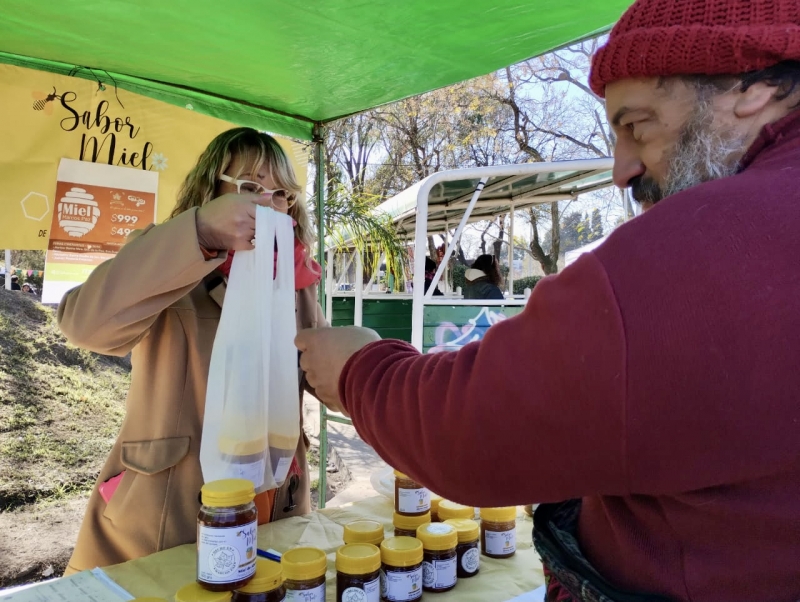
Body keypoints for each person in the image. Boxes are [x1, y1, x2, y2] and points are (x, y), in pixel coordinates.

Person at [295, 1, 800, 600]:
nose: (622, 170)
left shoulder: (716, 242)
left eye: (637, 125)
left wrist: (361, 369)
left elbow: (471, 428)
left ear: (753, 87)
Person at [58, 127, 326, 574]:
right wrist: (200, 232)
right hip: (168, 512)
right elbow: (84, 325)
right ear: (212, 190)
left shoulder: (292, 284)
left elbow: (324, 373)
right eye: (250, 188)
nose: (269, 204)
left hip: (274, 504)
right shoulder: (169, 257)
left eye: (281, 194)